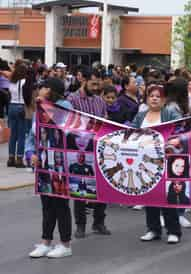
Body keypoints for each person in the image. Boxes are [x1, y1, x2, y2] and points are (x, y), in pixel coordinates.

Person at [27, 78, 73, 258]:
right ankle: (46, 241)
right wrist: (31, 153)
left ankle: (65, 244)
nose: (39, 89)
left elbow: (65, 130)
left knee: (60, 203)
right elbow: (31, 135)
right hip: (43, 163)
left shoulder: (64, 107)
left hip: (60, 163)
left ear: (52, 90)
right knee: (46, 204)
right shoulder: (39, 108)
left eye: (43, 87)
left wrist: (43, 106)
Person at [132, 84, 182, 244]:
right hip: (146, 163)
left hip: (166, 161)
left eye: (158, 96)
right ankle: (153, 229)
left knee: (169, 196)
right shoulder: (141, 115)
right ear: (146, 99)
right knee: (150, 196)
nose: (154, 98)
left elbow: (180, 131)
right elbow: (132, 132)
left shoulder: (170, 113)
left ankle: (173, 231)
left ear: (164, 99)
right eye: (151, 95)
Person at [67, 68, 110, 239]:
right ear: (83, 80)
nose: (96, 86)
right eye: (93, 83)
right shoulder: (72, 99)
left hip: (98, 149)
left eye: (98, 84)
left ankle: (99, 222)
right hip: (80, 150)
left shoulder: (100, 101)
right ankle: (80, 225)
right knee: (80, 189)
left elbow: (105, 121)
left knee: (102, 188)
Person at [7, 62, 32, 168]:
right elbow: (28, 96)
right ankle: (19, 159)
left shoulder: (12, 81)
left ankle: (11, 158)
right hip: (21, 107)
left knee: (13, 134)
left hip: (12, 106)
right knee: (21, 135)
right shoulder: (25, 82)